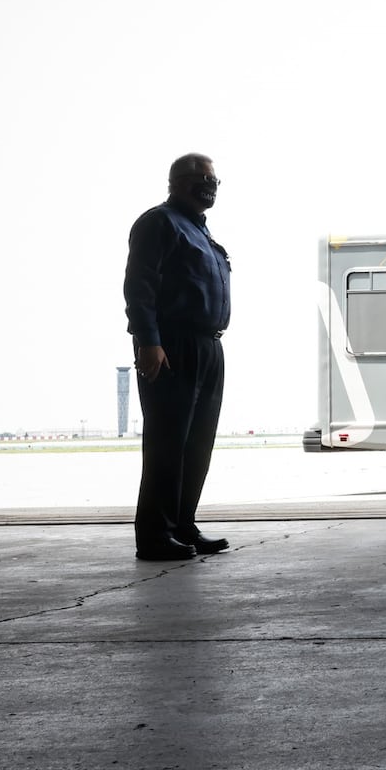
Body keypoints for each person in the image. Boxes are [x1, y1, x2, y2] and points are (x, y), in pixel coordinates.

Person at [124, 153, 232, 562]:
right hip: (171, 345)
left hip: (208, 345)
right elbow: (140, 286)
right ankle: (155, 535)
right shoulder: (159, 222)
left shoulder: (201, 231)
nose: (210, 184)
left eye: (214, 178)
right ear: (176, 181)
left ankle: (183, 525)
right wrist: (148, 341)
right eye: (201, 177)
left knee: (197, 443)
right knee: (167, 442)